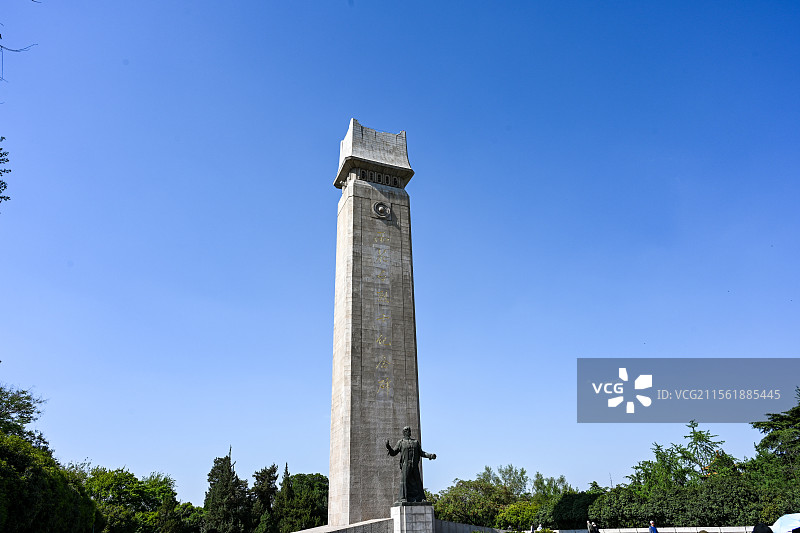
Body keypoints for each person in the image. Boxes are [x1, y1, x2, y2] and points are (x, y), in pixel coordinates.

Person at [386, 426, 436, 503]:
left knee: (418, 481)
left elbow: (421, 453)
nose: (408, 431)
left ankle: (421, 498)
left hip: (414, 465)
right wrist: (388, 447)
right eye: (406, 430)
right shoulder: (401, 442)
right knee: (404, 481)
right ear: (403, 432)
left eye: (409, 430)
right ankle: (403, 498)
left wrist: (430, 455)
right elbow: (393, 453)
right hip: (406, 464)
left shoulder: (415, 442)